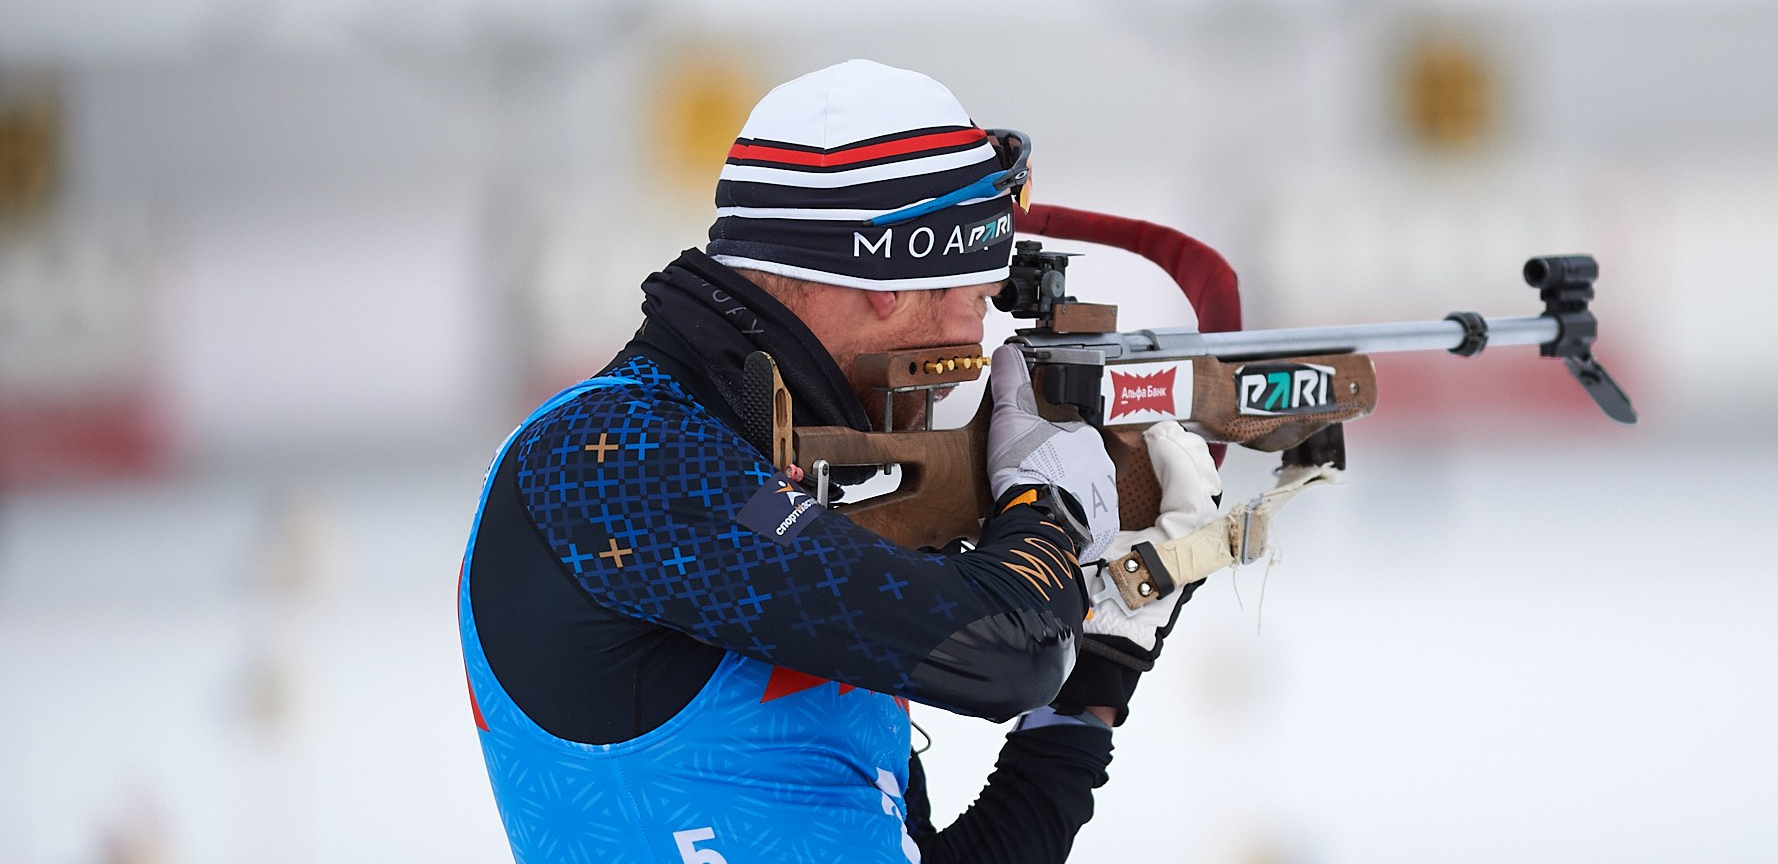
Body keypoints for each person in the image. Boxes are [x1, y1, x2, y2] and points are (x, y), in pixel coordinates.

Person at [459, 59, 1220, 863]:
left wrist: (1102, 666)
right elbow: (1007, 651)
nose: (978, 336)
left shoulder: (758, 474)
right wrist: (1049, 512)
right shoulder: (610, 457)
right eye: (978, 293)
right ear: (892, 279)